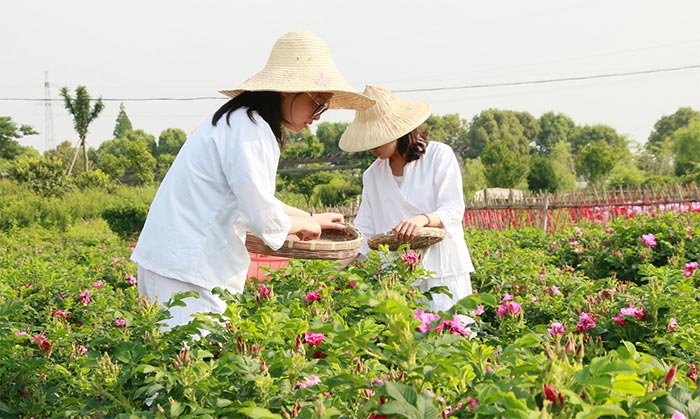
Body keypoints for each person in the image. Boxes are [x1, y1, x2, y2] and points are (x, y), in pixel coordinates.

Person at [131, 31, 374, 329]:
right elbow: (263, 218)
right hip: (189, 274)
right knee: (193, 368)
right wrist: (305, 225)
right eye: (318, 104)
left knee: (175, 364)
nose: (319, 116)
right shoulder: (252, 131)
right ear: (288, 90)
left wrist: (310, 217)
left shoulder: (237, 121)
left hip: (174, 264)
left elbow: (252, 199)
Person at [339, 85, 474, 313]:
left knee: (451, 335)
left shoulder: (438, 156)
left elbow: (453, 208)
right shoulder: (372, 175)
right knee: (407, 341)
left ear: (397, 130)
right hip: (400, 275)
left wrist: (423, 220)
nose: (372, 147)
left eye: (377, 138)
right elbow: (364, 230)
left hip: (442, 268)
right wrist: (332, 270)